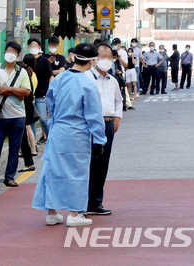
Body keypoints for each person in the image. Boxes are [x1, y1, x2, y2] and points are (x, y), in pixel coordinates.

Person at [32, 43, 107, 227]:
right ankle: (74, 214)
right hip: (77, 133)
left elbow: (51, 105)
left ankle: (52, 212)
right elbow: (94, 115)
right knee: (77, 172)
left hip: (58, 130)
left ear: (73, 57)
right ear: (91, 62)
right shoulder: (88, 84)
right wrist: (99, 139)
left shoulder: (58, 80)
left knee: (53, 170)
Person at [0, 42, 30, 189]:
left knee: (14, 149)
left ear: (18, 55)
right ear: (4, 53)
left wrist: (8, 89)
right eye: (8, 51)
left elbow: (26, 92)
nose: (10, 54)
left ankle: (9, 177)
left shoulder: (22, 72)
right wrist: (16, 91)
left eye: (14, 52)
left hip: (18, 116)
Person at [85, 42, 123, 216]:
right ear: (94, 58)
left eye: (109, 57)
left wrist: (117, 118)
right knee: (88, 164)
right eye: (102, 56)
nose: (106, 60)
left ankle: (96, 203)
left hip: (108, 124)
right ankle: (81, 202)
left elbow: (119, 101)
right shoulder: (85, 77)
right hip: (90, 125)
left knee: (102, 164)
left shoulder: (112, 80)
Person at [17, 54, 39, 173]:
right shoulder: (32, 73)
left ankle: (32, 152)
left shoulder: (26, 74)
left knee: (26, 130)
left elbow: (28, 92)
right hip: (28, 105)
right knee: (26, 130)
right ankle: (31, 154)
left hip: (25, 106)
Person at [31, 38, 53, 145]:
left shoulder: (44, 61)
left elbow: (51, 76)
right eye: (30, 45)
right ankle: (33, 143)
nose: (32, 47)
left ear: (39, 48)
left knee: (43, 119)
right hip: (30, 95)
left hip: (42, 94)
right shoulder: (27, 60)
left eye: (35, 45)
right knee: (31, 122)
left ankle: (50, 138)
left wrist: (49, 92)